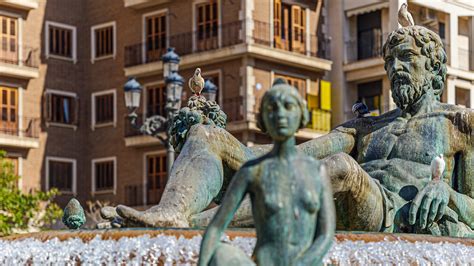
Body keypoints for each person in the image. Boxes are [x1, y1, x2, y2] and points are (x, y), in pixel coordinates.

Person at [112, 25, 474, 237]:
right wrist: (221, 143)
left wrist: (449, 195)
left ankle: (195, 226)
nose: (396, 68)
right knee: (207, 137)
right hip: (345, 198)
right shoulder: (367, 127)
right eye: (390, 62)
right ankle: (171, 213)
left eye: (407, 59)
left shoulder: (459, 125)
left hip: (392, 213)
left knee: (341, 168)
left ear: (436, 70)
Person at [198, 79, 335, 266]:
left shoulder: (317, 171)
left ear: (301, 115)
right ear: (263, 118)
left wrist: (301, 264)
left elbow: (326, 235)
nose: (280, 114)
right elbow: (215, 228)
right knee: (222, 255)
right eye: (272, 108)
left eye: (288, 106)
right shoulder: (253, 171)